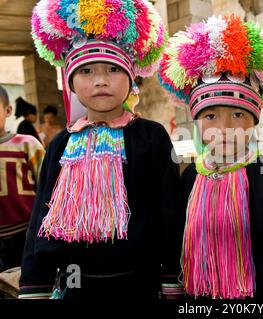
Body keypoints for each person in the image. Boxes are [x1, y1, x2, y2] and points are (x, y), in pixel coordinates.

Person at [19, 0, 184, 299]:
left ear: (132, 77)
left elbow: (170, 213)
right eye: (86, 71)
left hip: (139, 286)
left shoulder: (152, 138)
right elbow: (39, 224)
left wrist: (171, 279)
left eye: (112, 69)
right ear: (70, 82)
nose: (100, 81)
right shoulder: (59, 145)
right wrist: (34, 286)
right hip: (76, 286)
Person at [159, 15, 263, 299]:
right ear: (196, 124)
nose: (224, 128)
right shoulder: (189, 177)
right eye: (211, 116)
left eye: (238, 115)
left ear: (254, 121)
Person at [0, 85, 45, 272]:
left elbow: (48, 189)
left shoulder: (27, 144)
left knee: (27, 282)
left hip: (26, 234)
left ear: (8, 110)